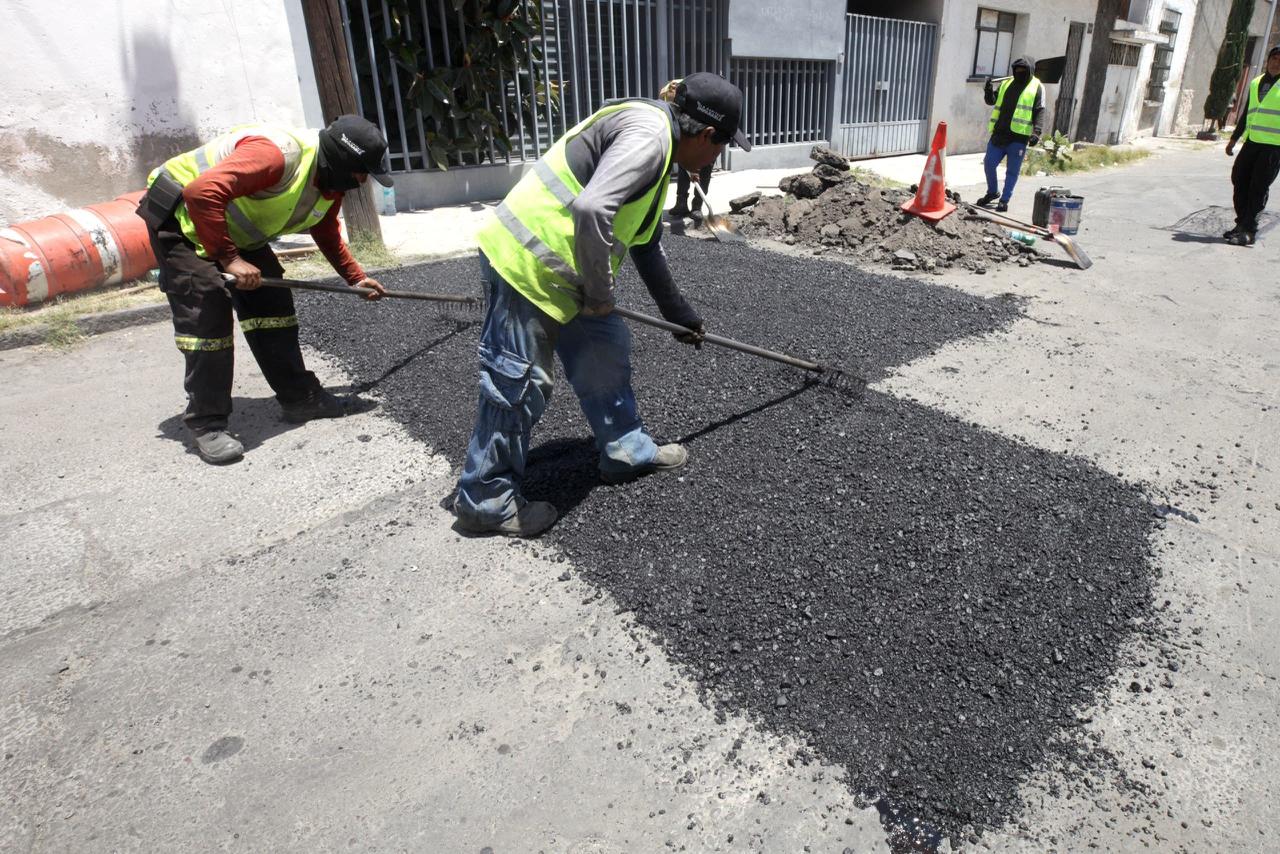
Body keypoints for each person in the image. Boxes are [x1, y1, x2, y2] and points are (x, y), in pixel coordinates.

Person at [453, 72, 752, 537]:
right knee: (518, 383)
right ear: (707, 135)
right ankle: (485, 500)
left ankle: (626, 450)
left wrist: (679, 316)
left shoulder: (661, 152)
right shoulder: (650, 136)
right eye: (723, 146)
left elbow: (645, 244)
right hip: (525, 261)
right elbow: (592, 208)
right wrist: (599, 295)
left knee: (605, 351)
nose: (718, 157)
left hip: (572, 273)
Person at [136, 116, 392, 465]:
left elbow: (325, 230)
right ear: (341, 160)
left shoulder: (328, 182)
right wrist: (230, 260)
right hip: (180, 217)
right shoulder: (276, 155)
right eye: (362, 173)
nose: (362, 181)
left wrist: (355, 278)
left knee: (272, 304)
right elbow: (201, 193)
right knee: (208, 306)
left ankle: (300, 398)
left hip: (228, 225)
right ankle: (207, 423)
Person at [1224, 45, 1280, 246]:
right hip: (1252, 142)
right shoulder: (1256, 82)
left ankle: (1249, 231)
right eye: (1274, 58)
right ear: (1268, 60)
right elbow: (1247, 113)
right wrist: (1234, 139)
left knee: (1258, 187)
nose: (1276, 63)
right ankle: (1241, 223)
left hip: (1274, 147)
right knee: (1239, 179)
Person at [978, 56, 1044, 212]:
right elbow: (992, 100)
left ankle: (1004, 200)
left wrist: (1037, 132)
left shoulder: (1037, 86)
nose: (1019, 72)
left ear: (1029, 71)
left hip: (1019, 137)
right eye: (1017, 69)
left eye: (1023, 70)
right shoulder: (1006, 83)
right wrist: (988, 90)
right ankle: (992, 192)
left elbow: (1040, 110)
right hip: (999, 133)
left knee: (1012, 171)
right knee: (989, 163)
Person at [659, 79, 714, 219]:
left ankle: (697, 206)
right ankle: (681, 204)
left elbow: (700, 136)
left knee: (704, 174)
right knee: (683, 171)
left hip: (707, 143)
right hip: (691, 141)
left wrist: (695, 167)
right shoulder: (674, 95)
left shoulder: (699, 106)